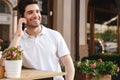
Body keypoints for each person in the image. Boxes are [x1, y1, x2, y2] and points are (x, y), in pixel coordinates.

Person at [8, 0, 75, 80]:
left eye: (37, 11)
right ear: (23, 17)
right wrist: (18, 35)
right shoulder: (18, 39)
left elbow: (68, 63)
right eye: (30, 12)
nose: (36, 15)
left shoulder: (55, 35)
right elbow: (4, 63)